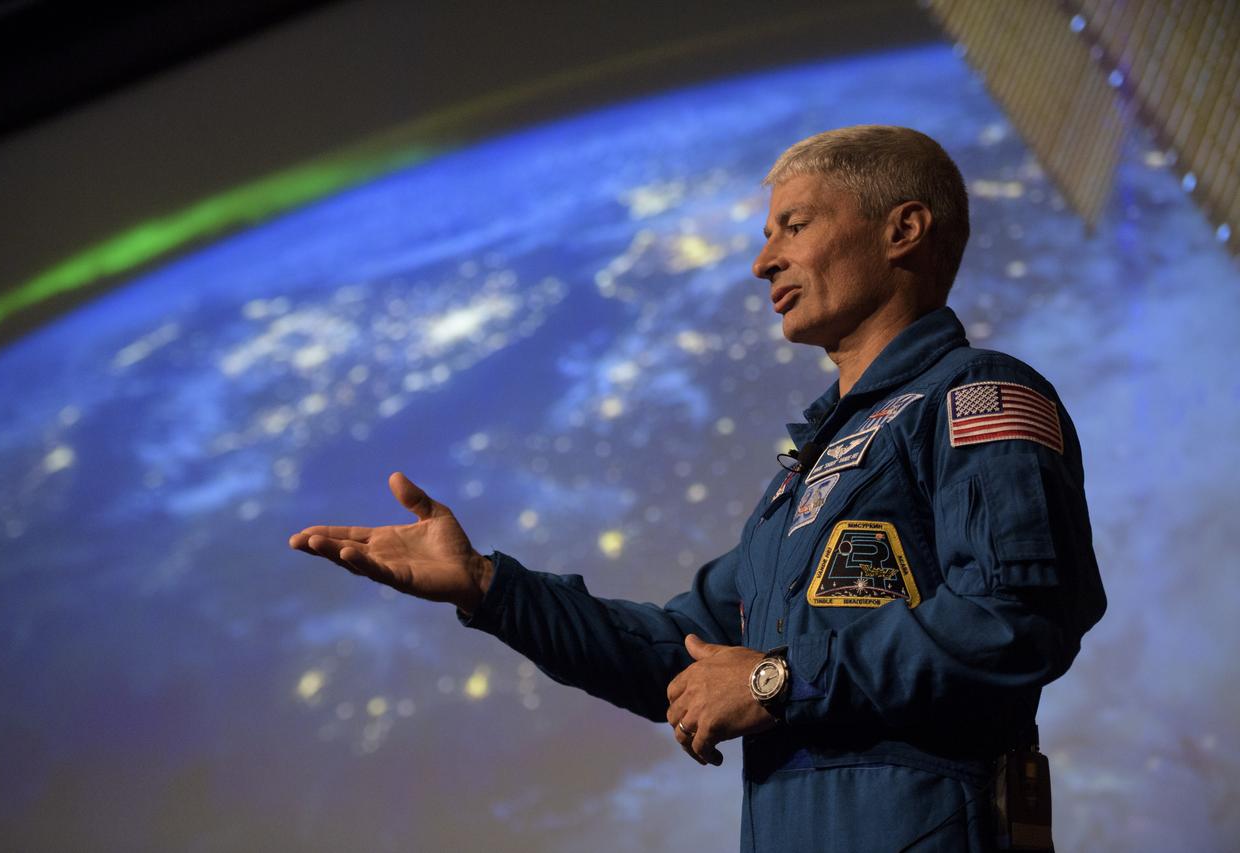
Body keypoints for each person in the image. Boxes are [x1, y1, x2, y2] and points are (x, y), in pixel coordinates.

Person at [289, 125, 1106, 851]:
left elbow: (1014, 621)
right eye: (766, 235)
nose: (763, 261)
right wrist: (490, 587)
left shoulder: (976, 394)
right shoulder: (805, 477)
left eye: (795, 225)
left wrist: (774, 680)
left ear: (902, 230)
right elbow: (676, 654)